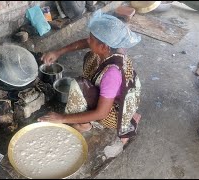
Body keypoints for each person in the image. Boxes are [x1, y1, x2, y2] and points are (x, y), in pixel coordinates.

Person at [38, 10, 142, 145]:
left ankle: (85, 125)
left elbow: (101, 113)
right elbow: (86, 43)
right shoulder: (113, 46)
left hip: (113, 112)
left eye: (91, 39)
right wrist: (58, 52)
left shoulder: (112, 74)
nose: (88, 40)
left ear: (103, 46)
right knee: (91, 55)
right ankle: (128, 112)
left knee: (79, 86)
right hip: (126, 95)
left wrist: (62, 118)